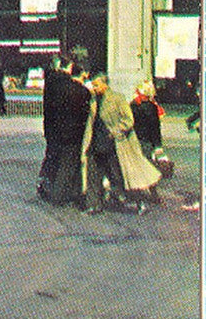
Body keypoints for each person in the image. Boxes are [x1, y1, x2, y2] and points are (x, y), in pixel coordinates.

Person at [84, 73, 161, 212]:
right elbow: (91, 123)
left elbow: (128, 120)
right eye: (93, 85)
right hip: (97, 142)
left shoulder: (118, 98)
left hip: (115, 143)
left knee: (120, 175)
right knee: (94, 174)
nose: (94, 88)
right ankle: (94, 205)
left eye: (96, 85)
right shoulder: (94, 100)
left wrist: (115, 131)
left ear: (105, 84)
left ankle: (139, 201)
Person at [40, 58, 93, 205]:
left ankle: (47, 185)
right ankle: (59, 195)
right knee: (68, 164)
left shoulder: (55, 84)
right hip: (73, 133)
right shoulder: (81, 91)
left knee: (54, 158)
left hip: (55, 129)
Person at [131, 81, 165, 160]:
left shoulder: (133, 105)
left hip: (134, 140)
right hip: (146, 141)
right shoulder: (152, 107)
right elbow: (155, 128)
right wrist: (158, 145)